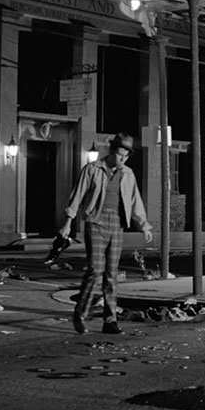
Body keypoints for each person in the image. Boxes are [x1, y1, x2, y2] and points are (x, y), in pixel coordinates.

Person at [59, 132, 153, 334]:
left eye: (126, 156)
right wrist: (67, 223)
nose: (123, 159)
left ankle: (109, 320)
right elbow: (76, 197)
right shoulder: (92, 169)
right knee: (95, 269)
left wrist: (144, 225)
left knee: (112, 274)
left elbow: (135, 200)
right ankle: (80, 313)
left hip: (117, 224)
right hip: (96, 223)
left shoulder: (127, 173)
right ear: (111, 152)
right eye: (120, 155)